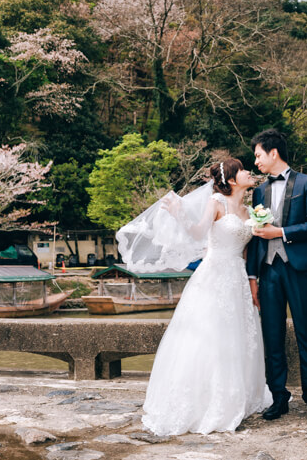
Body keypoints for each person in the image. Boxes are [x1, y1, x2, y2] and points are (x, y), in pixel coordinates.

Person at [126, 158, 272, 435]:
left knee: (239, 336)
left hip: (237, 278)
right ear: (230, 179)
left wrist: (251, 282)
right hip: (214, 274)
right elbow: (197, 232)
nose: (248, 172)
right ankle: (205, 402)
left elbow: (246, 251)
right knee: (210, 335)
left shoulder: (252, 211)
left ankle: (237, 396)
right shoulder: (216, 202)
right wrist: (180, 214)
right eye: (241, 169)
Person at [247, 128, 307, 422]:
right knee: (272, 335)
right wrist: (252, 278)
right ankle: (278, 397)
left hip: (299, 269)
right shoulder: (259, 190)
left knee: (306, 332)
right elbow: (257, 239)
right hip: (268, 271)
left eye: (258, 155)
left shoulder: (306, 183)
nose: (255, 162)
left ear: (273, 153)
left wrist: (280, 232)